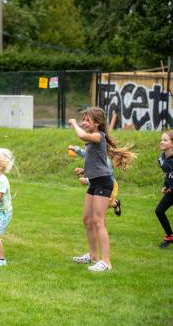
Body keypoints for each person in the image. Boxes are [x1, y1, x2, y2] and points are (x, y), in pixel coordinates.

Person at [68, 107, 135, 272]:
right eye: (82, 119)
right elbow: (96, 162)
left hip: (104, 183)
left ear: (97, 123)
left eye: (87, 120)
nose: (83, 122)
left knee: (98, 221)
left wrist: (73, 123)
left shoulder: (99, 136)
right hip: (94, 182)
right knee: (87, 220)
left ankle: (106, 262)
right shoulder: (92, 141)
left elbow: (81, 135)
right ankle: (92, 256)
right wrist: (84, 171)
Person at [68, 145, 122, 216]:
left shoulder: (104, 160)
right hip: (98, 184)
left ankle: (115, 204)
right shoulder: (93, 155)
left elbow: (103, 176)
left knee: (100, 207)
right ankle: (114, 204)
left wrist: (87, 181)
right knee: (95, 207)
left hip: (109, 185)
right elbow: (84, 154)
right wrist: (75, 149)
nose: (86, 148)